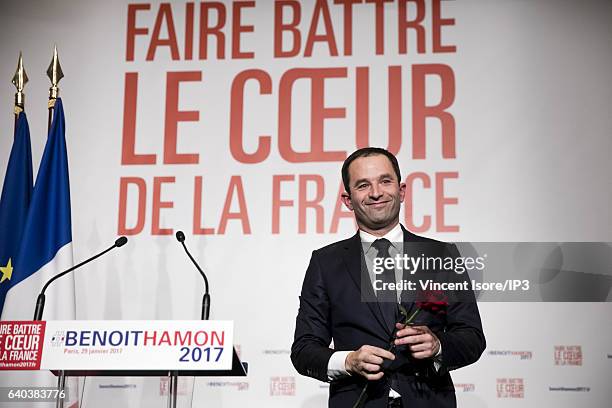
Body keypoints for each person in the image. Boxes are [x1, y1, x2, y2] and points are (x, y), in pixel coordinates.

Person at [291, 147, 485, 408]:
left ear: (401, 191)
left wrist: (438, 346)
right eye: (363, 185)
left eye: (385, 181)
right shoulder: (325, 262)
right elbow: (304, 349)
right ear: (348, 200)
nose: (376, 192)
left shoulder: (441, 255)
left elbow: (471, 336)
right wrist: (348, 361)